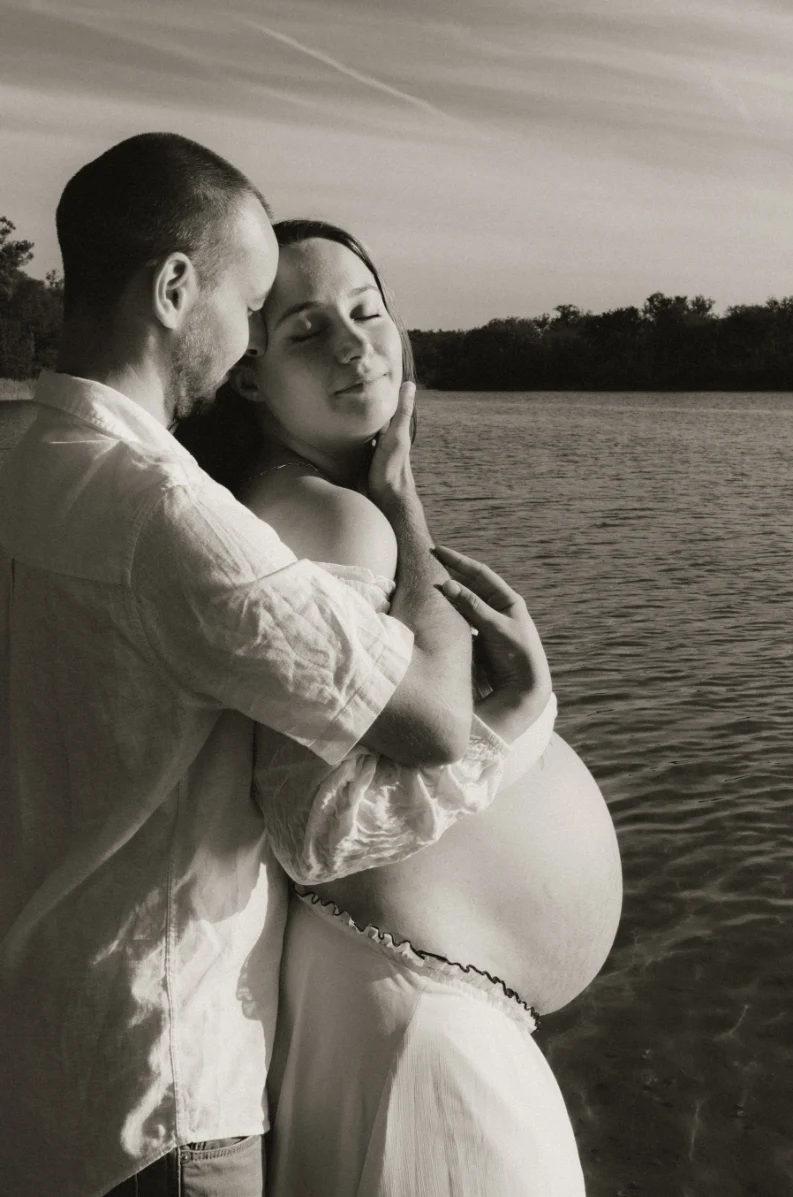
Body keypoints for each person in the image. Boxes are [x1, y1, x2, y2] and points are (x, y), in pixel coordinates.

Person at [0, 138, 540, 1197]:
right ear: (173, 289)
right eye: (255, 309)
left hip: (49, 1058)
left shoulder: (29, 459)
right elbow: (426, 722)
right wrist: (519, 700)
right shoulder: (167, 517)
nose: (250, 342)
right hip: (160, 1093)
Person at [182, 219, 623, 1196]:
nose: (353, 345)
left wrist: (403, 501)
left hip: (407, 1002)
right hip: (417, 1019)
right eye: (305, 330)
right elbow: (317, 826)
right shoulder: (324, 516)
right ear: (249, 377)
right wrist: (519, 715)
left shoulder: (324, 499)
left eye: (366, 310)